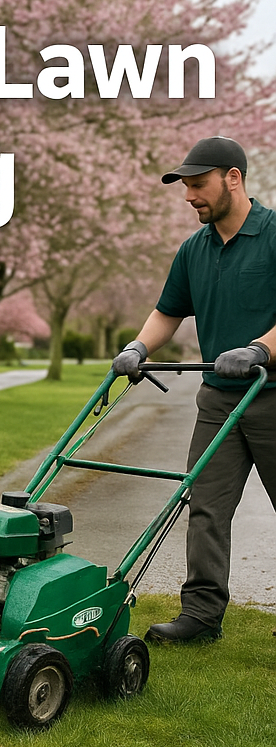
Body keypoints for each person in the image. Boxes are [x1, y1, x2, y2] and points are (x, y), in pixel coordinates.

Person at [112, 135, 276, 643]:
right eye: (185, 186)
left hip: (271, 395)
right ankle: (201, 617)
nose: (189, 196)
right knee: (205, 506)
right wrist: (138, 347)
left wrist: (259, 350)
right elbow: (168, 312)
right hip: (218, 399)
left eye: (198, 184)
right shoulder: (194, 250)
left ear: (233, 178)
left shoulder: (273, 234)